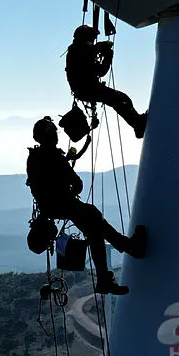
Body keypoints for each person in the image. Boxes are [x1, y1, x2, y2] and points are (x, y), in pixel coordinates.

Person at [26, 116, 146, 295]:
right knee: (93, 219)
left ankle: (113, 268)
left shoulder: (34, 158)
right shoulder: (54, 157)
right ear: (50, 135)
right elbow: (77, 183)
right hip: (64, 204)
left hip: (51, 207)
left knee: (93, 227)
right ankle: (128, 250)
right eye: (54, 132)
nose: (57, 135)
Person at [65, 25, 148, 138]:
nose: (93, 42)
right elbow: (100, 70)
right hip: (88, 89)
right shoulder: (80, 51)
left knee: (120, 99)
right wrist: (106, 54)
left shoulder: (78, 51)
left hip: (86, 89)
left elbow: (99, 70)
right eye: (92, 39)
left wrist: (105, 55)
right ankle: (138, 124)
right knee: (121, 99)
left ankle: (137, 123)